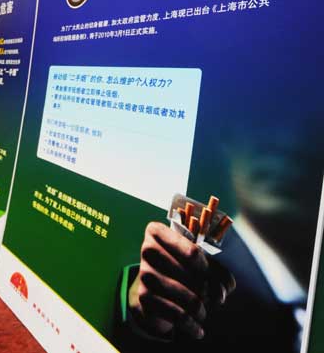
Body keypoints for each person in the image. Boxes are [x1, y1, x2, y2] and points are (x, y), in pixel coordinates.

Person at [115, 120, 323, 353]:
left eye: (304, 123)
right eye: (263, 119)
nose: (283, 142)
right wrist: (147, 323)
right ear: (227, 137)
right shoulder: (199, 279)